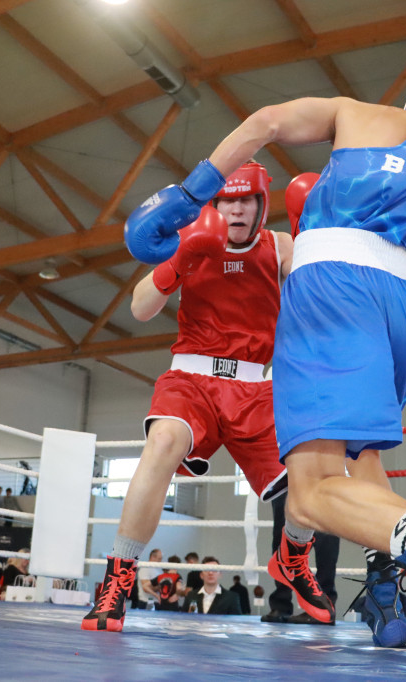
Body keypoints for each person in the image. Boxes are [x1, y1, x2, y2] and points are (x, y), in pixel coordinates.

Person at [120, 57, 406, 670]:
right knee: (360, 461)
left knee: (309, 496)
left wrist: (192, 195)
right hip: (403, 306)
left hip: (333, 290)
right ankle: (399, 585)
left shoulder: (360, 113)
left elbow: (266, 121)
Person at [84, 160, 300, 633]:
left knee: (310, 476)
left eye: (246, 200)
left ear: (262, 204)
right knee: (161, 443)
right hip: (191, 379)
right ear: (214, 204)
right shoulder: (190, 239)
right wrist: (182, 256)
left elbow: (327, 293)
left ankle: (298, 559)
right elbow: (140, 309)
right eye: (228, 200)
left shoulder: (281, 245)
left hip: (254, 386)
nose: (237, 210)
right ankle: (117, 581)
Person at [263, 492, 339, 624]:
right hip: (287, 475)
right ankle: (281, 605)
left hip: (327, 479)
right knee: (284, 529)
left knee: (326, 534)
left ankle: (323, 600)